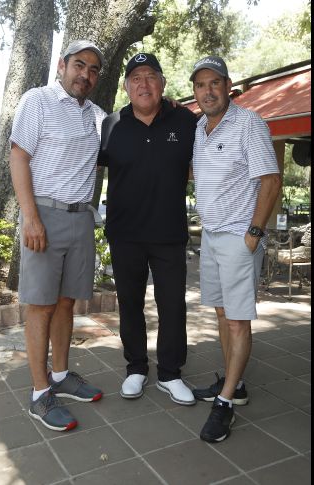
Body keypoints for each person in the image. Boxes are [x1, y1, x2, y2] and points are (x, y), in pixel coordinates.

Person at [8, 40, 107, 432]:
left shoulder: (98, 116)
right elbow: (18, 156)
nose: (85, 74)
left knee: (66, 303)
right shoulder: (38, 101)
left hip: (81, 218)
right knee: (41, 306)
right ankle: (38, 393)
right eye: (79, 65)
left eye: (93, 69)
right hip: (43, 215)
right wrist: (30, 217)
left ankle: (62, 375)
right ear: (62, 66)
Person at [189, 55, 282, 442]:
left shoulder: (248, 123)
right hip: (210, 236)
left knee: (236, 321)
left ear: (228, 86)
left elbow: (271, 180)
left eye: (215, 83)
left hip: (239, 238)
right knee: (222, 313)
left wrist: (253, 234)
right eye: (201, 85)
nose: (208, 91)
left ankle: (225, 403)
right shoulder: (198, 127)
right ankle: (235, 382)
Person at [98, 53, 198, 405]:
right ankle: (136, 368)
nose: (143, 83)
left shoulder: (186, 121)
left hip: (169, 233)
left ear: (162, 84)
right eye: (136, 77)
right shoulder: (110, 125)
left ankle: (170, 373)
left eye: (151, 76)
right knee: (130, 304)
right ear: (126, 86)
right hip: (124, 233)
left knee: (173, 305)